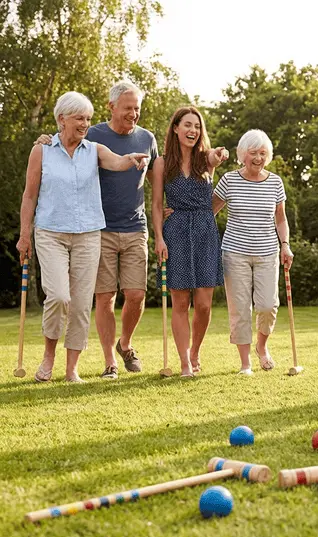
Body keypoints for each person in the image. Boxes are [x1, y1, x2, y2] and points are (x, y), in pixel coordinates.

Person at [17, 91, 148, 383]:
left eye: (88, 118)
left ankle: (71, 367)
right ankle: (49, 356)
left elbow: (116, 161)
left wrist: (132, 159)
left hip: (88, 234)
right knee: (59, 296)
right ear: (61, 119)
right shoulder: (42, 150)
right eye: (79, 118)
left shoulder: (94, 149)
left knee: (79, 303)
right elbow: (29, 195)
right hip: (51, 233)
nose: (85, 123)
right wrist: (25, 235)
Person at [152, 107, 228, 377]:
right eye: (187, 125)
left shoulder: (205, 160)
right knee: (181, 302)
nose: (192, 130)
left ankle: (195, 350)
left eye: (197, 126)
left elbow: (216, 155)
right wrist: (159, 238)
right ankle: (184, 361)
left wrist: (219, 154)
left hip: (206, 230)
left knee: (205, 304)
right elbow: (157, 205)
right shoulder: (162, 163)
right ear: (175, 128)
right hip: (176, 232)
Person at [212, 129, 294, 375]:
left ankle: (261, 346)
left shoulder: (275, 182)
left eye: (263, 153)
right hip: (235, 253)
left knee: (268, 305)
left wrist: (285, 245)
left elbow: (280, 218)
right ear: (242, 155)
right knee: (240, 308)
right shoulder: (229, 180)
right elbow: (209, 212)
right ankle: (245, 362)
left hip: (267, 252)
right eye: (253, 153)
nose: (258, 158)